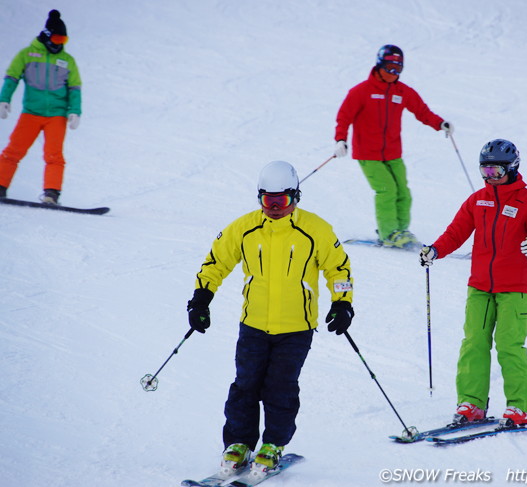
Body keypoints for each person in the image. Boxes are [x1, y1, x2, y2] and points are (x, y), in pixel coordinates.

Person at [186, 161, 354, 479]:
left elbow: (339, 269)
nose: (275, 207)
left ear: (295, 197)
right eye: (268, 200)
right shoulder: (245, 228)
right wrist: (201, 299)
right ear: (259, 198)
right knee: (245, 385)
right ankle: (238, 444)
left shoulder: (315, 229)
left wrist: (342, 303)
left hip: (296, 328)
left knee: (280, 388)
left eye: (283, 200)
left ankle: (273, 445)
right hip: (253, 325)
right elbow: (216, 262)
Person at [419, 139, 527, 426]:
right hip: (479, 286)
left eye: (496, 171)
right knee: (474, 344)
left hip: (514, 288)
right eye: (485, 170)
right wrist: (435, 250)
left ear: (512, 168)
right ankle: (471, 403)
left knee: (509, 346)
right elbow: (456, 232)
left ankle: (521, 407)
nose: (489, 177)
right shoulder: (477, 200)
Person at [334, 44, 452, 249]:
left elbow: (422, 111)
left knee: (403, 192)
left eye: (398, 69)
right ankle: (389, 233)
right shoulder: (361, 91)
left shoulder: (402, 91)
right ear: (379, 66)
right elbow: (344, 116)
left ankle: (401, 230)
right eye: (390, 68)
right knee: (387, 191)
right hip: (368, 154)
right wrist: (340, 140)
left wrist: (440, 124)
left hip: (393, 153)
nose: (393, 73)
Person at [0, 10, 82, 204]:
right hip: (31, 113)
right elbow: (12, 77)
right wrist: (4, 99)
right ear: (47, 36)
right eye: (57, 37)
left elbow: (75, 88)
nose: (60, 43)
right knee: (13, 151)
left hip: (56, 115)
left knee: (54, 155)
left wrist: (75, 111)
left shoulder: (67, 61)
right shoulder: (27, 55)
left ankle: (51, 195)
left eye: (64, 39)